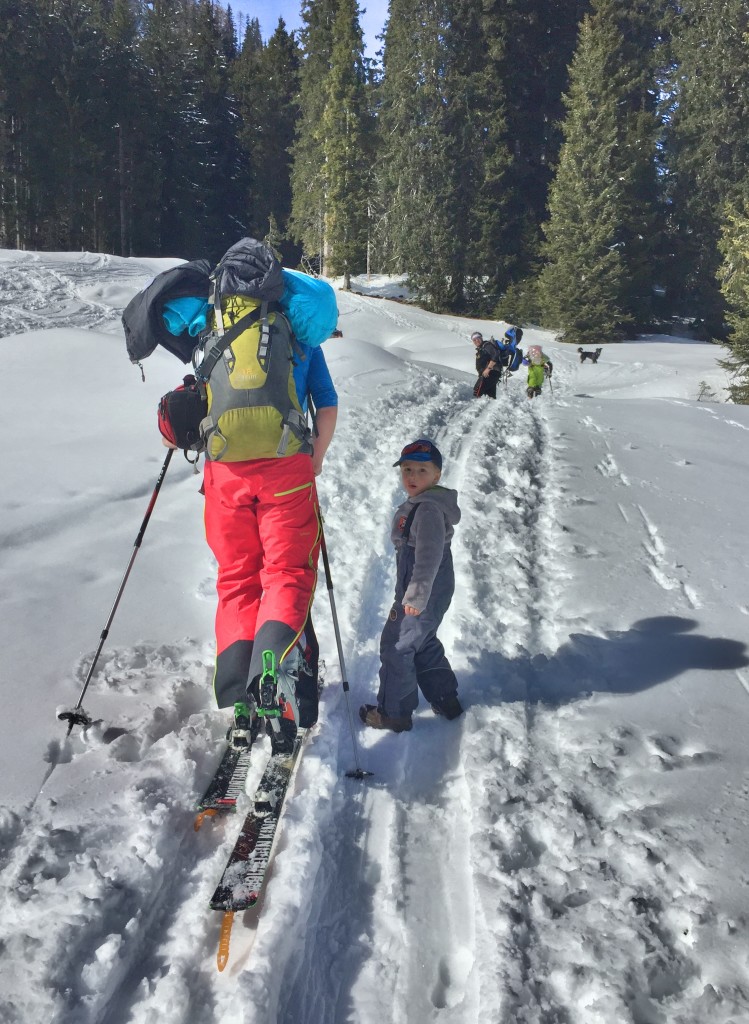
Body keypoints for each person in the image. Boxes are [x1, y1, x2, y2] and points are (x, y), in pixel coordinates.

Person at [160, 247, 338, 754]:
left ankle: (240, 693)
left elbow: (186, 422)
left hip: (225, 477)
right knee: (286, 572)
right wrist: (315, 459)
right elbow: (326, 406)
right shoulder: (299, 337)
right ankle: (272, 672)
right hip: (286, 470)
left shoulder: (208, 332)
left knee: (238, 578)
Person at [360, 438, 463, 733]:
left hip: (423, 591)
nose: (412, 477)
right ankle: (445, 698)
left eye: (421, 470)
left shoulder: (428, 510)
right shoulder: (421, 505)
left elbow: (429, 558)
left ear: (437, 475)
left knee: (397, 647)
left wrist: (415, 596)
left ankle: (394, 714)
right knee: (422, 642)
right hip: (432, 591)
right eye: (407, 469)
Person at [471, 331, 503, 398]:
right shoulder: (481, 348)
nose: (476, 340)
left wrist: (488, 369)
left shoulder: (487, 345)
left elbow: (496, 355)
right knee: (490, 396)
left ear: (481, 338)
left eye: (478, 338)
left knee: (477, 392)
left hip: (491, 373)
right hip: (490, 374)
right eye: (474, 340)